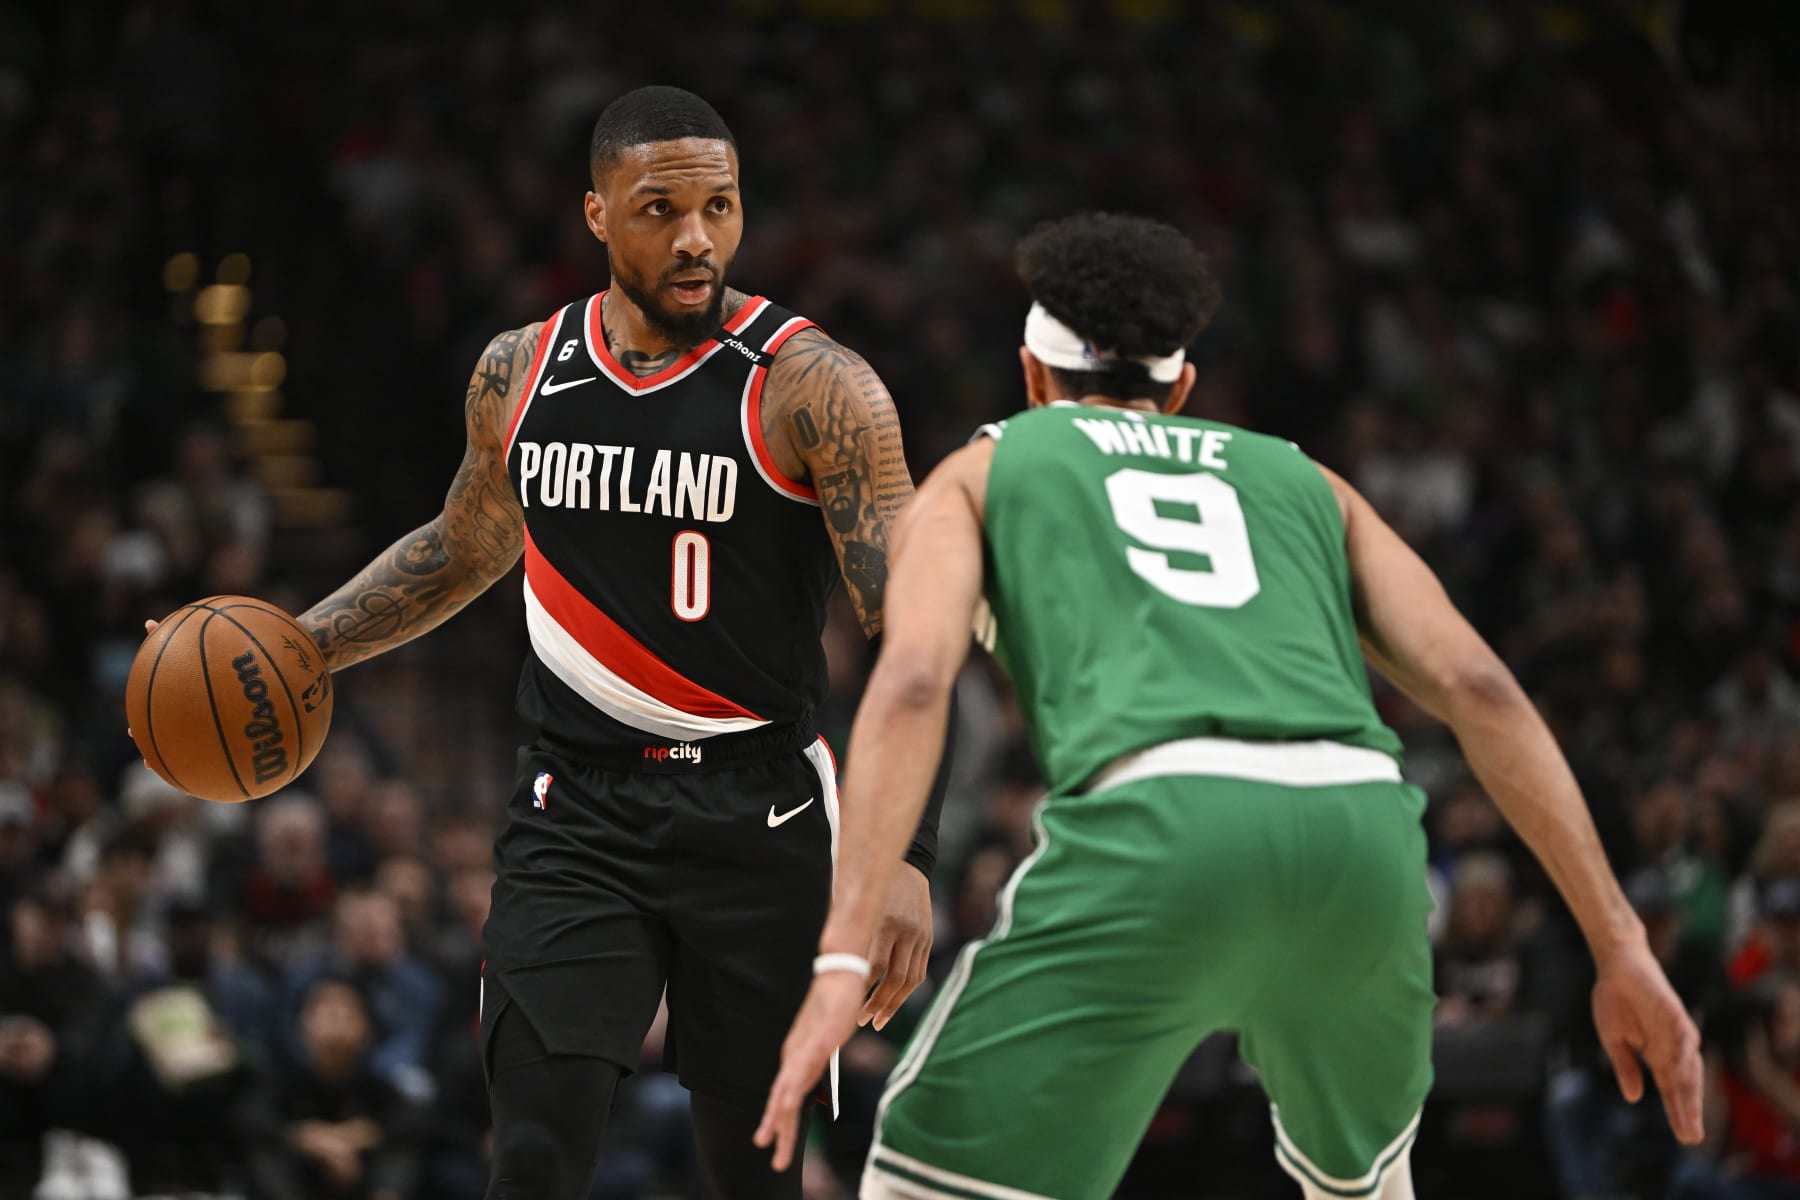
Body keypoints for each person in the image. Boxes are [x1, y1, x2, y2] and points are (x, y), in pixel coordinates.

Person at [756, 213, 1704, 1200]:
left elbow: (915, 682)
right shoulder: (1307, 480)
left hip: (1160, 822)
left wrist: (840, 956)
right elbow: (1483, 689)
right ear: (1183, 389)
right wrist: (1620, 944)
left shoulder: (982, 471)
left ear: (1031, 379)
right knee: (1367, 1186)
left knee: (924, 1183)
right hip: (1362, 835)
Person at [151, 86, 943, 1200]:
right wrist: (305, 647)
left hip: (760, 813)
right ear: (596, 213)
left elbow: (918, 631)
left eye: (719, 206)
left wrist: (910, 854)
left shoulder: (816, 388)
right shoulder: (520, 371)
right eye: (661, 208)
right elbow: (462, 547)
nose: (697, 237)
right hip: (577, 810)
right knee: (530, 1156)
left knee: (753, 1175)